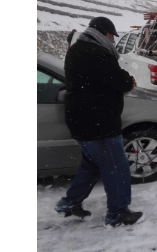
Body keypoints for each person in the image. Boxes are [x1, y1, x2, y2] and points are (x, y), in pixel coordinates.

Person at [55, 16, 144, 228]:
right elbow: (120, 80)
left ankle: (69, 203)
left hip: (82, 121)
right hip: (99, 123)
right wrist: (128, 82)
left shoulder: (77, 50)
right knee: (117, 168)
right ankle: (118, 213)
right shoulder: (98, 54)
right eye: (112, 35)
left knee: (91, 166)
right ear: (104, 33)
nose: (113, 40)